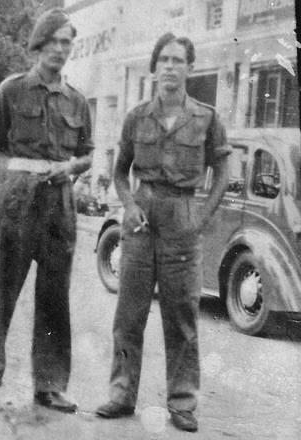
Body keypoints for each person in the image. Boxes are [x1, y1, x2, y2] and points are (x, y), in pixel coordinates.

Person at [96, 33, 230, 432]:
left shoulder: (206, 117)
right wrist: (130, 204)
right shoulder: (137, 116)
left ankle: (183, 401)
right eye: (164, 60)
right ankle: (121, 395)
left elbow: (223, 171)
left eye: (178, 60)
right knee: (129, 314)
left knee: (183, 314)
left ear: (189, 67)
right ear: (154, 68)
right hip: (141, 219)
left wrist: (202, 216)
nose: (170, 67)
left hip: (183, 216)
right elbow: (121, 171)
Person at [0, 8, 93, 414]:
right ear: (39, 44)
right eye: (54, 41)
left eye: (67, 43)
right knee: (0, 293)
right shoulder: (12, 89)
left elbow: (87, 155)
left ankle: (50, 385)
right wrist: (0, 191)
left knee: (55, 295)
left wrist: (71, 168)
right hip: (18, 199)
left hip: (60, 202)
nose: (61, 49)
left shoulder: (77, 100)